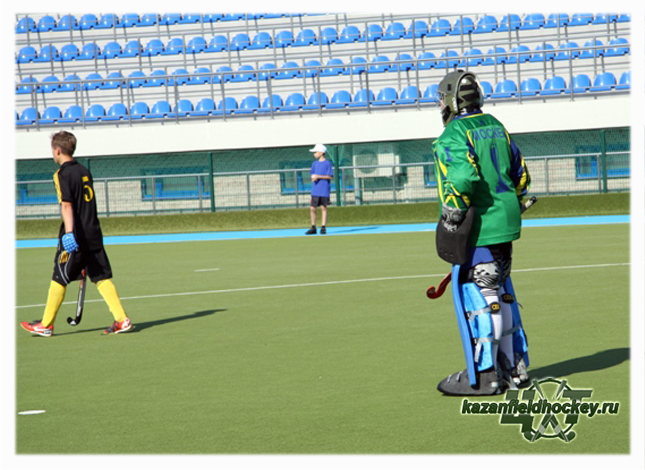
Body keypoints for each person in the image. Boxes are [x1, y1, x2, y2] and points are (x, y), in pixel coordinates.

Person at [432, 70, 531, 396]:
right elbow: (520, 173)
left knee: (482, 295)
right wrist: (516, 199)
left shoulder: (454, 133)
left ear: (451, 100)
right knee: (502, 291)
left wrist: (452, 216)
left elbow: (462, 179)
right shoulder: (496, 125)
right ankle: (514, 369)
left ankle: (485, 374)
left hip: (479, 227)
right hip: (506, 222)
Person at [20, 131, 133, 337]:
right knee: (100, 277)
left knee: (59, 276)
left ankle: (46, 324)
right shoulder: (84, 170)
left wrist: (69, 233)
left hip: (76, 236)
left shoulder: (61, 174)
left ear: (58, 150)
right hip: (93, 232)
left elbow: (67, 205)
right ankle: (121, 319)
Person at [305, 144, 333, 235]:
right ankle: (313, 227)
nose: (314, 154)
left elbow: (330, 176)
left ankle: (323, 227)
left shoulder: (327, 163)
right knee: (312, 208)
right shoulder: (314, 164)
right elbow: (312, 174)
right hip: (315, 190)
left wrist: (319, 176)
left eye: (316, 152)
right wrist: (313, 177)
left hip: (324, 190)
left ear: (321, 153)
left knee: (323, 208)